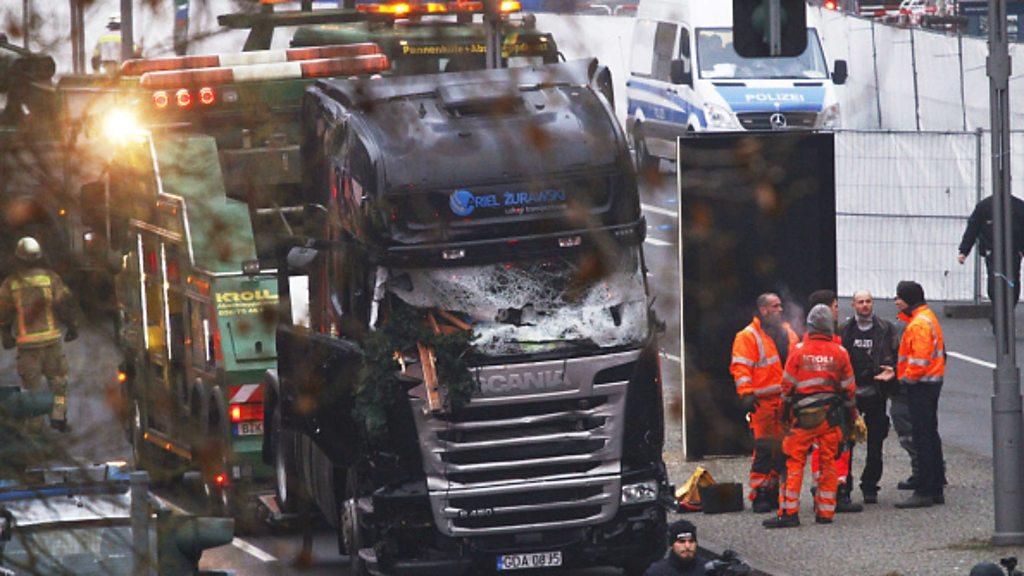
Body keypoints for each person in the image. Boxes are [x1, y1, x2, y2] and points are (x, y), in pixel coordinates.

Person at [764, 304, 856, 528]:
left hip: (802, 419)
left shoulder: (798, 350)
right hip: (830, 419)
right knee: (829, 464)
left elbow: (787, 388)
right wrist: (851, 420)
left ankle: (789, 513)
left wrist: (784, 416)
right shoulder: (840, 352)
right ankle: (825, 513)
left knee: (793, 463)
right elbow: (849, 391)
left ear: (810, 325)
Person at [0, 237, 78, 431]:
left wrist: (6, 334)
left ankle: (34, 430)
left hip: (27, 348)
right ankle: (58, 418)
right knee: (59, 383)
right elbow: (64, 304)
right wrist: (72, 326)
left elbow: (3, 312)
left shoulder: (11, 284)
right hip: (51, 343)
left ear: (18, 259)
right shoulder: (50, 278)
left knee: (31, 390)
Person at [730, 293, 798, 513]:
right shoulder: (747, 336)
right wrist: (746, 394)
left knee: (782, 452)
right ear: (763, 309)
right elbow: (740, 368)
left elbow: (798, 361)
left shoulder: (787, 333)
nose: (779, 310)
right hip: (763, 404)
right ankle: (759, 492)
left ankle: (772, 491)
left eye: (780, 306)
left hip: (785, 402)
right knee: (764, 450)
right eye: (775, 306)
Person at [805, 289, 862, 513]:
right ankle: (837, 493)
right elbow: (846, 382)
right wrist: (852, 410)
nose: (838, 310)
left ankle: (820, 491)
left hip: (810, 407)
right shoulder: (835, 345)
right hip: (833, 409)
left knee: (819, 451)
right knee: (838, 451)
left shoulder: (803, 344)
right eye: (835, 306)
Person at [840, 290, 898, 504]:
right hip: (851, 394)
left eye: (868, 301)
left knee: (876, 443)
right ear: (853, 305)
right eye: (860, 302)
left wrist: (892, 371)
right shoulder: (845, 329)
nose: (865, 305)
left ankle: (870, 486)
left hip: (876, 392)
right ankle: (843, 485)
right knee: (846, 442)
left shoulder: (885, 328)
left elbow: (896, 354)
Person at [893, 280, 947, 508]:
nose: (896, 302)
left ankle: (924, 490)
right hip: (930, 384)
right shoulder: (927, 317)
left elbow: (919, 361)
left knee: (923, 437)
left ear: (907, 300)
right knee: (929, 436)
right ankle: (934, 487)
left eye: (898, 298)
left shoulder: (918, 325)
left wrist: (904, 379)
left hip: (921, 386)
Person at [957, 194, 1024, 307]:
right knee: (995, 281)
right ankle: (998, 311)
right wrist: (964, 250)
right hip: (992, 252)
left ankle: (1007, 309)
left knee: (1012, 282)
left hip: (1013, 252)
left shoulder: (1018, 206)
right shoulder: (985, 206)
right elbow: (972, 229)